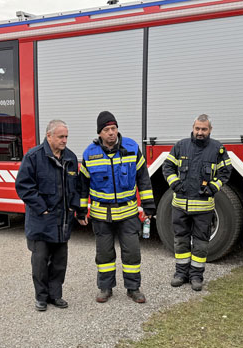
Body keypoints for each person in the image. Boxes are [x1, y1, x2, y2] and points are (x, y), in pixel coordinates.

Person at [79, 111, 155, 304]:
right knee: (104, 254)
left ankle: (133, 288)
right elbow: (82, 186)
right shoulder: (90, 153)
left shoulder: (131, 147)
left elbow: (143, 179)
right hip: (101, 214)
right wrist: (80, 210)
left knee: (132, 252)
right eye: (106, 130)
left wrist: (148, 205)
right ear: (100, 133)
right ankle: (105, 288)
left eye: (113, 128)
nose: (111, 133)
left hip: (128, 213)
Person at [15, 120, 82, 311]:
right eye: (61, 136)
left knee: (60, 263)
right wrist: (42, 208)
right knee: (40, 262)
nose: (65, 140)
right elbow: (24, 186)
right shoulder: (34, 157)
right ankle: (41, 297)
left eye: (66, 136)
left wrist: (75, 208)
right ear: (49, 136)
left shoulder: (70, 157)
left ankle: (56, 295)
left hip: (62, 222)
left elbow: (76, 188)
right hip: (41, 222)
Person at [162, 114, 231, 291]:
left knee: (201, 244)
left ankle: (196, 276)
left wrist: (213, 187)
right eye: (197, 129)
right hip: (180, 206)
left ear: (210, 130)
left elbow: (225, 172)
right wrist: (174, 182)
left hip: (203, 208)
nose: (200, 132)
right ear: (193, 128)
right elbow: (167, 167)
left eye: (204, 129)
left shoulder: (217, 149)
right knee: (180, 241)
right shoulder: (180, 146)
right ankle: (180, 274)